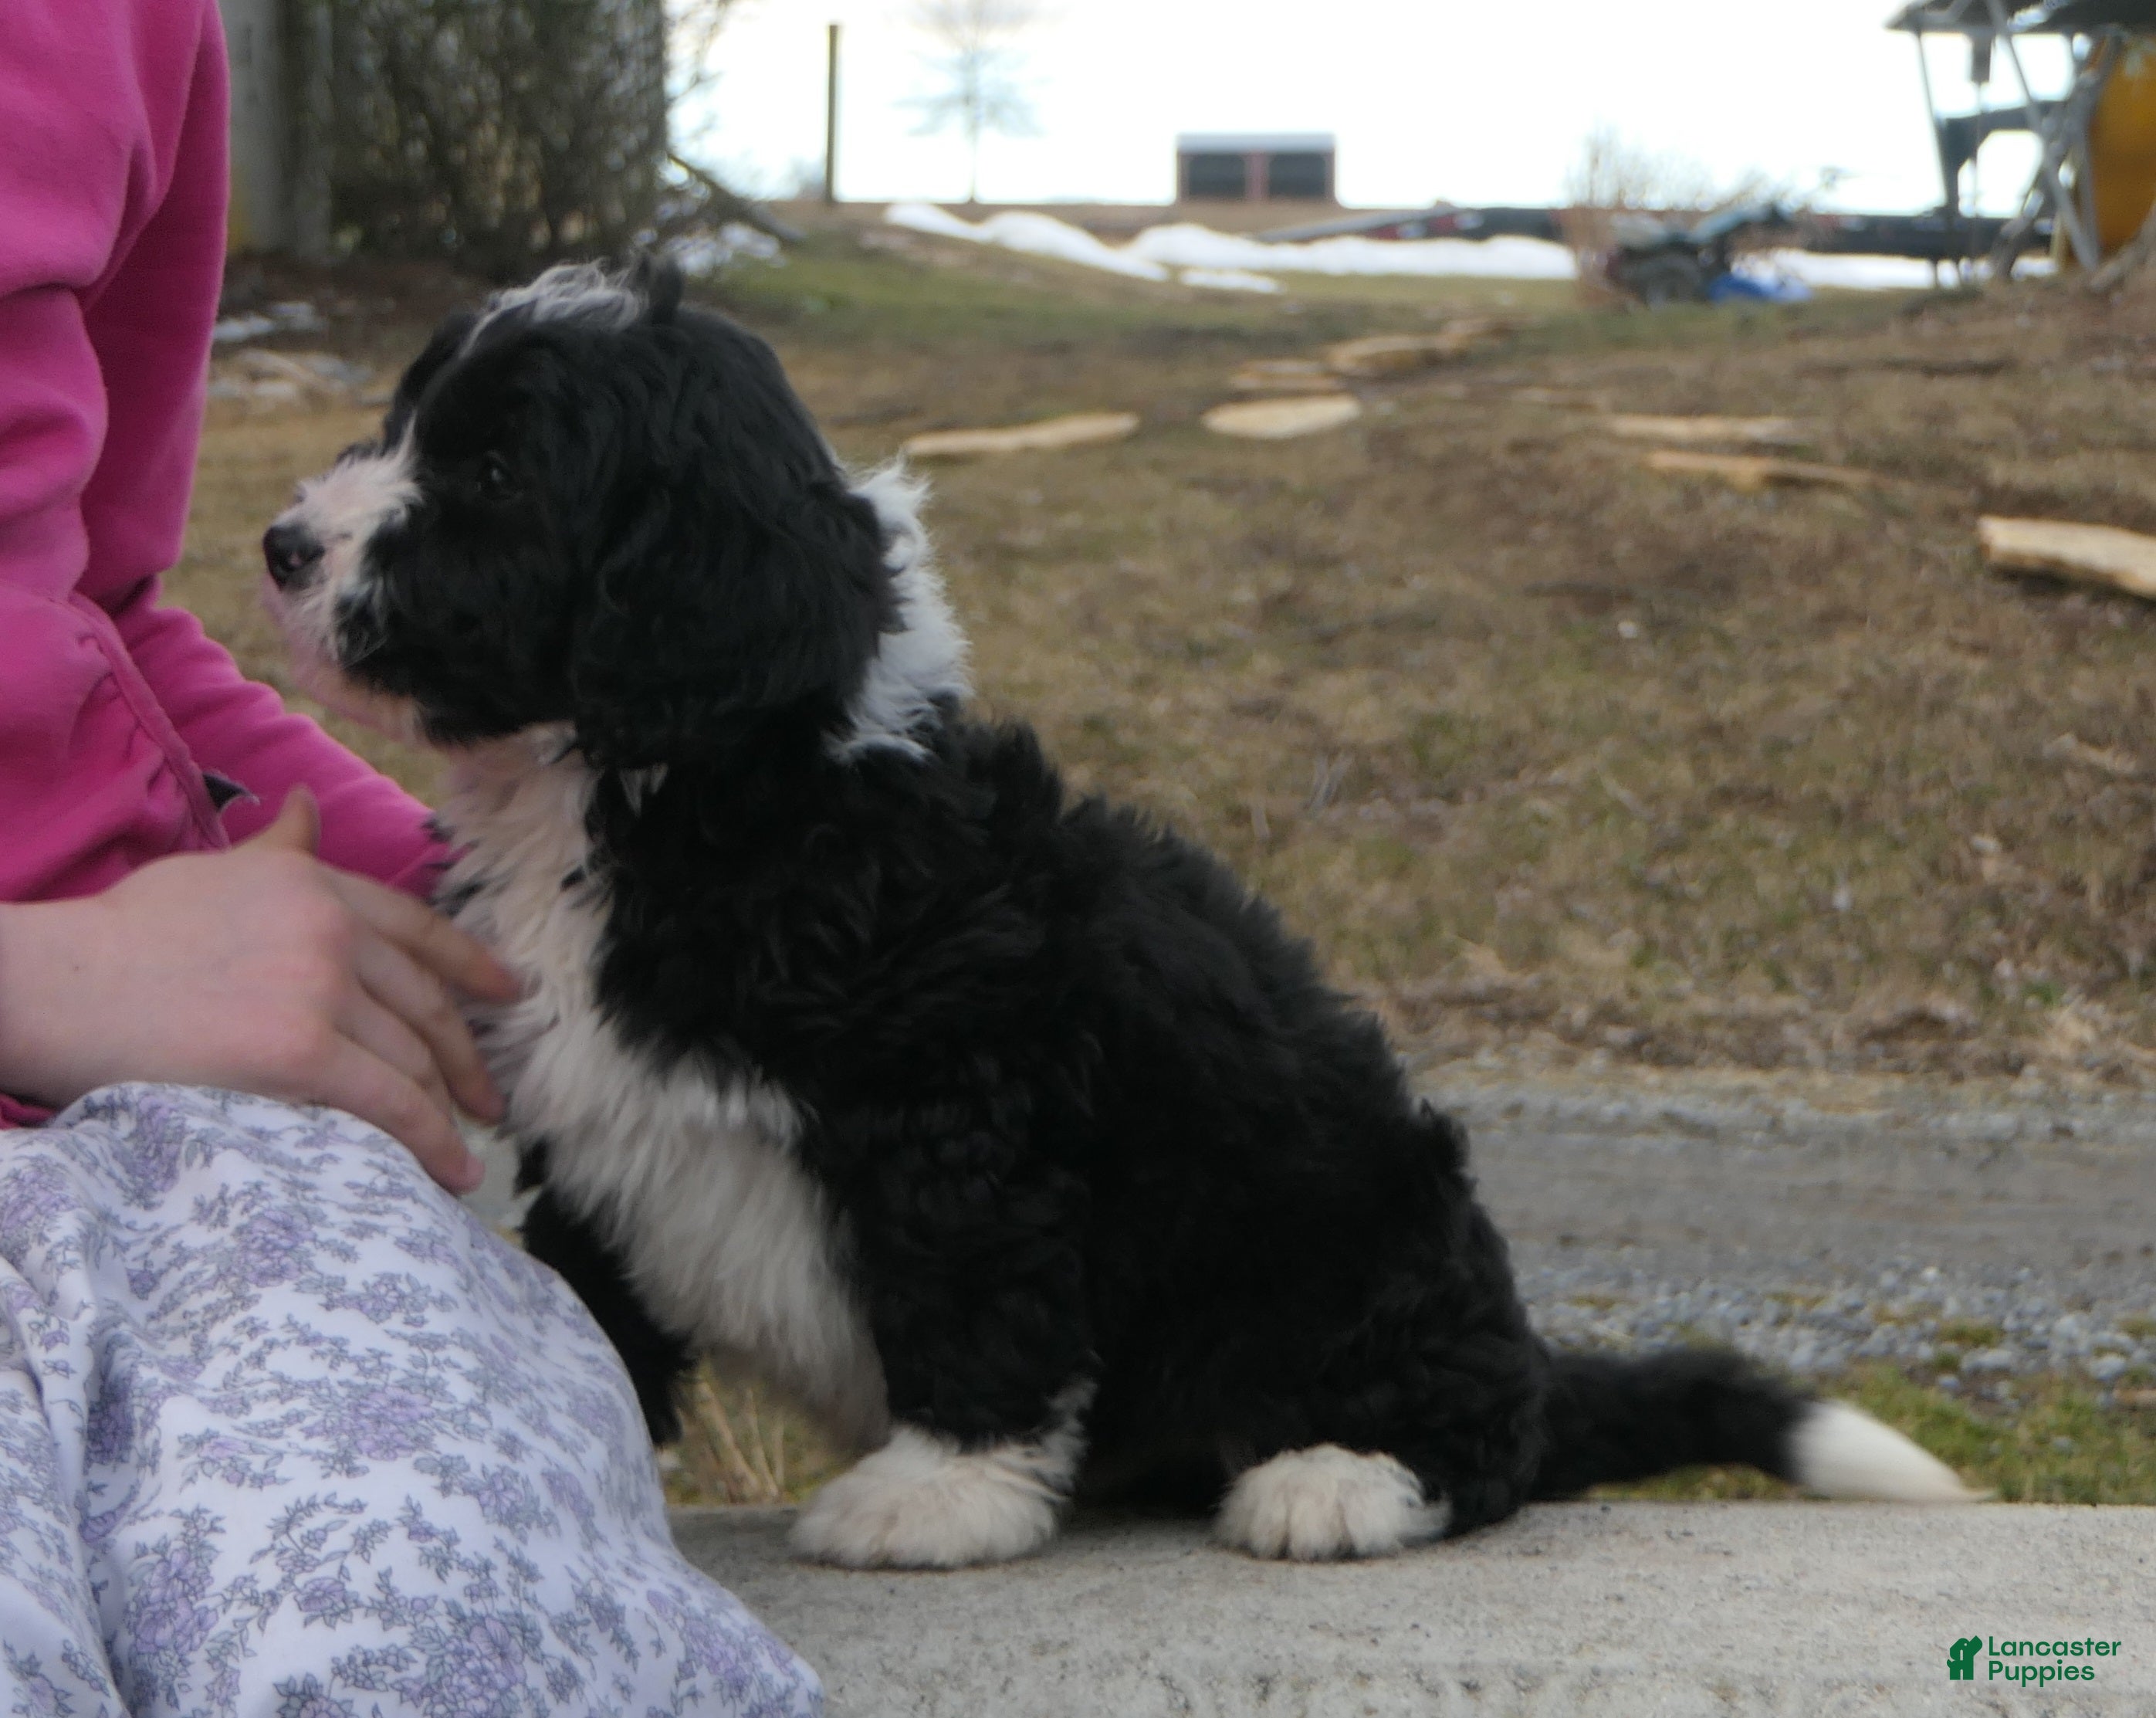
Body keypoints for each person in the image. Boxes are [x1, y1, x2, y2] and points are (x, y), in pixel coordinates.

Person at [0, 4, 824, 1712]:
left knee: (427, 1635)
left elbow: (97, 611)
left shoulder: (128, 27)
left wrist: (595, 937)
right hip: (85, 1013)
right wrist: (41, 977)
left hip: (192, 1140)